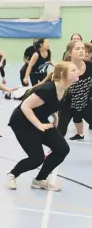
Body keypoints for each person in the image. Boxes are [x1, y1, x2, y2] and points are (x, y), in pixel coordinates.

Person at [5, 62, 78, 191]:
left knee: (62, 149)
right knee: (36, 158)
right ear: (62, 74)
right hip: (22, 122)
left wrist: (55, 118)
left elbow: (52, 105)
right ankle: (12, 175)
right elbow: (25, 106)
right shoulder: (47, 89)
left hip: (40, 120)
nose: (77, 72)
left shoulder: (65, 90)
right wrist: (39, 125)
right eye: (73, 70)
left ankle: (39, 180)